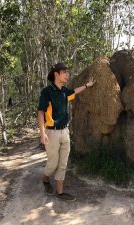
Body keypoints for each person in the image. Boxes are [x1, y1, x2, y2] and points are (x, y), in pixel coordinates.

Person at [37, 62, 96, 201]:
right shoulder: (47, 92)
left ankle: (60, 192)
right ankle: (45, 179)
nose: (67, 75)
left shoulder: (64, 91)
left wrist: (87, 85)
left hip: (65, 132)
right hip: (52, 132)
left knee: (63, 163)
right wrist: (42, 133)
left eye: (67, 72)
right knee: (53, 163)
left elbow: (74, 91)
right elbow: (41, 112)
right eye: (65, 72)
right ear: (56, 74)